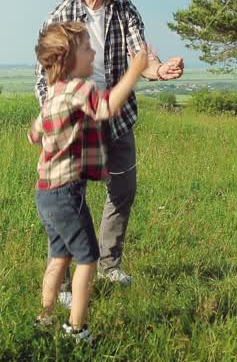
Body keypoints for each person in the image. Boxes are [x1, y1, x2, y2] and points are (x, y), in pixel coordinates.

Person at [35, 0, 184, 303]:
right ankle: (68, 284)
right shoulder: (61, 15)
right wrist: (53, 120)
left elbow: (141, 56)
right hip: (77, 123)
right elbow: (44, 79)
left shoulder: (124, 8)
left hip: (116, 118)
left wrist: (159, 70)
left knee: (123, 190)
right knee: (72, 200)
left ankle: (108, 264)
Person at [29, 21, 149, 343]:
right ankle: (77, 328)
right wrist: (135, 70)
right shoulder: (80, 89)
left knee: (58, 256)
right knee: (88, 260)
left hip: (45, 194)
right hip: (67, 194)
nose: (93, 52)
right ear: (69, 59)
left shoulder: (53, 95)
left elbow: (33, 134)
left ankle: (44, 316)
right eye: (86, 48)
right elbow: (107, 107)